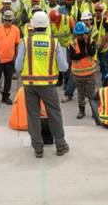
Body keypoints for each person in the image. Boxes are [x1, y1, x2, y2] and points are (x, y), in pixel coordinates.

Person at [15, 11, 69, 158]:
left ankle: (38, 148)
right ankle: (60, 145)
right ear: (47, 26)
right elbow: (64, 67)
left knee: (33, 115)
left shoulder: (25, 41)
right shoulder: (54, 43)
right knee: (54, 114)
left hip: (30, 85)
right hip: (48, 86)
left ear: (32, 25)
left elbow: (18, 66)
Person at [0, 10, 21, 109]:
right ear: (3, 19)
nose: (7, 22)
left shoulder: (16, 30)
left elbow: (16, 44)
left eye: (9, 20)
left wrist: (16, 56)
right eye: (6, 20)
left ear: (12, 20)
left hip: (10, 60)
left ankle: (5, 97)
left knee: (8, 80)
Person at [67, 22, 97, 119]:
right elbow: (73, 57)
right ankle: (81, 111)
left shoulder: (91, 41)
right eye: (79, 34)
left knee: (91, 94)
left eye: (83, 34)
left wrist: (87, 42)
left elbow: (92, 53)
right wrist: (85, 53)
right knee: (80, 93)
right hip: (78, 74)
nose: (81, 36)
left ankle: (94, 111)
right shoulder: (72, 44)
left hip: (90, 73)